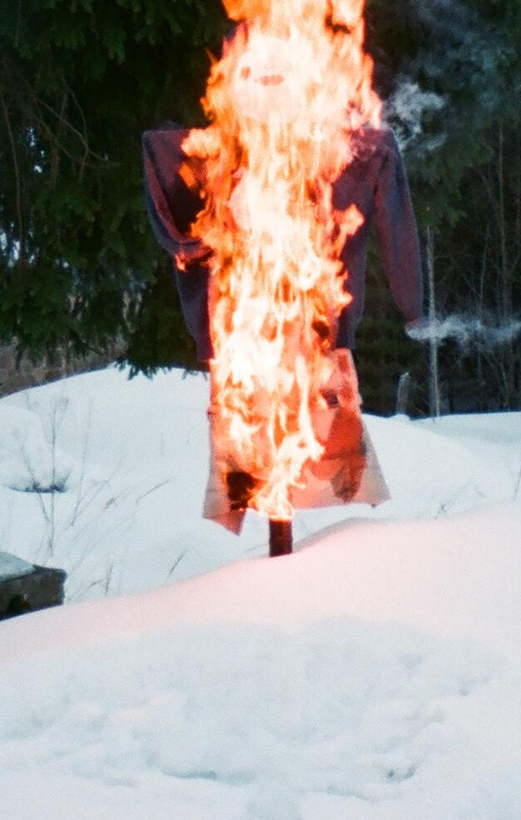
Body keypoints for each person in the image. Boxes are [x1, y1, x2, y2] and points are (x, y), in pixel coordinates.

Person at [140, 120, 425, 531]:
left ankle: (294, 540)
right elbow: (157, 150)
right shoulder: (220, 150)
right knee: (255, 450)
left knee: (309, 443)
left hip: (312, 333)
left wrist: (410, 299)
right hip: (245, 335)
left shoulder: (345, 149)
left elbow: (156, 152)